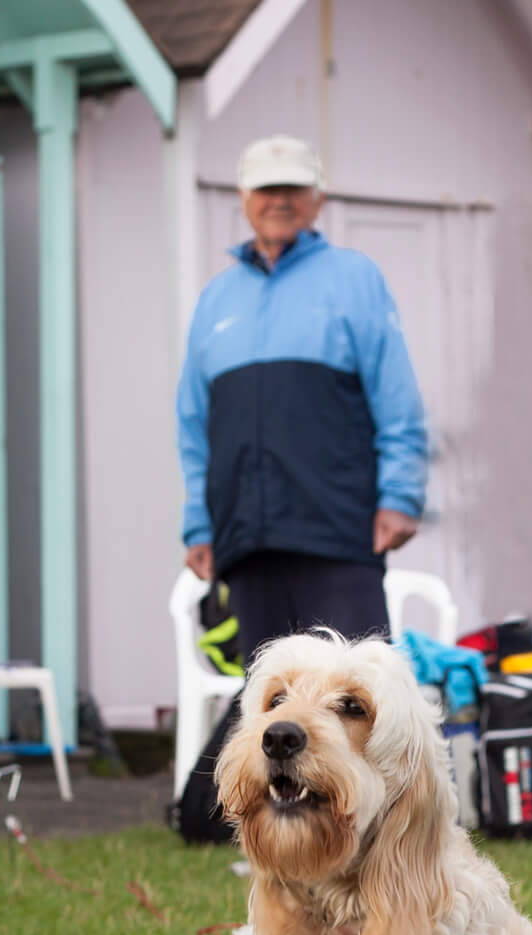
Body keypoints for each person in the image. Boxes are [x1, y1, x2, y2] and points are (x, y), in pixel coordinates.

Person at [176, 135, 428, 662]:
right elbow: (195, 422)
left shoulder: (355, 277)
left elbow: (395, 393)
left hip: (337, 526)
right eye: (266, 189)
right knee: (267, 696)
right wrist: (201, 524)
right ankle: (222, 752)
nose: (279, 201)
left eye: (293, 187)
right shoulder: (216, 300)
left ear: (318, 198)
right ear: (244, 198)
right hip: (246, 537)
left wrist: (400, 495)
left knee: (357, 688)